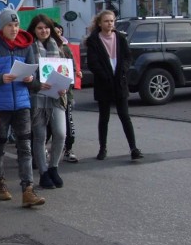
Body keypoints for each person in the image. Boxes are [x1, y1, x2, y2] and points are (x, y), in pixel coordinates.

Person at [0, 10, 45, 208]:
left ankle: (28, 189)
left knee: (25, 147)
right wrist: (1, 78)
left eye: (16, 25)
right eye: (10, 25)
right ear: (2, 26)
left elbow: (36, 82)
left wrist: (31, 79)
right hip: (0, 105)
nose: (14, 29)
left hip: (22, 104)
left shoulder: (27, 47)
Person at [86, 10, 143, 160]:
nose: (109, 23)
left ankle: (133, 148)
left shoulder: (120, 38)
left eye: (111, 21)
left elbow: (127, 57)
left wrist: (123, 70)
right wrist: (104, 76)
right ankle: (102, 149)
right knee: (104, 117)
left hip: (120, 82)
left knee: (125, 116)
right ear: (99, 23)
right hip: (103, 83)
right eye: (106, 21)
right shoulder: (93, 40)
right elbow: (92, 63)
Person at [26, 15, 67, 190]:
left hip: (56, 97)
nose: (44, 31)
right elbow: (26, 74)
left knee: (60, 133)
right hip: (37, 98)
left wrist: (66, 85)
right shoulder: (28, 47)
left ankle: (54, 167)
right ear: (34, 30)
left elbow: (67, 70)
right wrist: (36, 84)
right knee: (40, 137)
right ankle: (43, 172)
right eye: (40, 28)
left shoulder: (59, 46)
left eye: (46, 28)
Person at [54, 23, 82, 163]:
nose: (57, 35)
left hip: (65, 94)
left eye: (59, 32)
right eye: (55, 32)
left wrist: (71, 80)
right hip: (48, 95)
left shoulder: (66, 49)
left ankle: (68, 148)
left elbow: (72, 67)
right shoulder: (42, 48)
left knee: (68, 123)